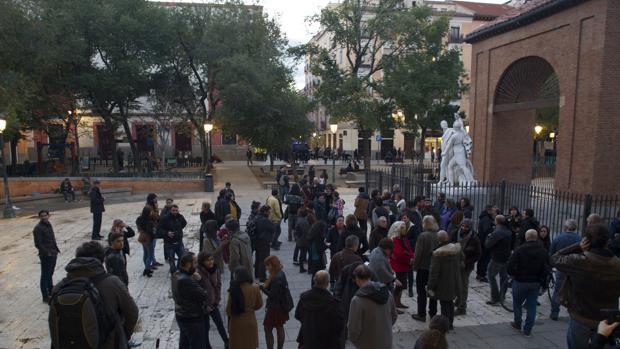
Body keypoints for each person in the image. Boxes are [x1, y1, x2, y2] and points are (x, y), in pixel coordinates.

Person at [50, 241, 138, 349]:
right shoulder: (112, 283)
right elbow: (132, 313)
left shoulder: (60, 287)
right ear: (102, 260)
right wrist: (122, 335)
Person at [551, 224, 620, 349]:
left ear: (586, 241)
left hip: (581, 317)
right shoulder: (617, 265)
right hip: (606, 320)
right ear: (607, 241)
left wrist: (577, 246)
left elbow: (554, 258)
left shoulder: (579, 261)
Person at [507, 229, 550, 337]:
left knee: (517, 303)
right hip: (535, 281)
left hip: (520, 280)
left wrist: (515, 274)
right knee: (532, 306)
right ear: (536, 237)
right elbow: (548, 266)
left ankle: (517, 323)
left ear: (526, 237)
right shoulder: (543, 251)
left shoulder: (520, 250)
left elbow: (510, 266)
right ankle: (528, 329)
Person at [347, 264, 397, 349]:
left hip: (367, 343)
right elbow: (394, 316)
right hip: (386, 341)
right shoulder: (387, 293)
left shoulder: (357, 300)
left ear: (357, 279)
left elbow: (354, 328)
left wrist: (353, 339)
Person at [295, 270, 344, 349]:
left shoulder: (304, 297)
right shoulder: (333, 302)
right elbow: (339, 324)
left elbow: (298, 315)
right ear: (327, 283)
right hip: (327, 342)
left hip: (308, 338)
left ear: (314, 281)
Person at [171, 252, 208, 349]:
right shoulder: (186, 280)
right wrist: (200, 280)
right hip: (192, 319)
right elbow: (204, 295)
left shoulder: (176, 275)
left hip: (181, 315)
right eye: (195, 263)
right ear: (188, 264)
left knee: (184, 344)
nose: (197, 266)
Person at [426, 230, 462, 329]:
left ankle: (446, 325)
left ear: (438, 240)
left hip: (442, 283)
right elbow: (462, 262)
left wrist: (430, 286)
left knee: (444, 304)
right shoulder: (456, 250)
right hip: (453, 280)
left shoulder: (438, 254)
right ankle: (450, 323)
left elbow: (434, 273)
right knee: (450, 302)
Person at [548, 218, 581, 321]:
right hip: (575, 269)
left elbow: (552, 254)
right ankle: (572, 312)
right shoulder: (580, 239)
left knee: (557, 291)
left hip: (561, 268)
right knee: (573, 291)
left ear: (565, 227)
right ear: (575, 228)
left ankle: (554, 313)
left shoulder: (558, 238)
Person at [196, 251, 229, 348]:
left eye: (212, 259)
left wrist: (217, 299)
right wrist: (205, 305)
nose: (210, 262)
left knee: (220, 324)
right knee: (206, 328)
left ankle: (227, 342)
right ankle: (207, 346)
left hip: (214, 304)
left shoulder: (215, 269)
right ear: (202, 261)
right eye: (207, 260)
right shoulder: (198, 273)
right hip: (204, 306)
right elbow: (198, 292)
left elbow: (218, 285)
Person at [226, 266, 263, 349]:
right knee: (250, 344)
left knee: (237, 344)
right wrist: (250, 309)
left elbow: (228, 310)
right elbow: (259, 304)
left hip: (236, 322)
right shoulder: (255, 288)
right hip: (250, 320)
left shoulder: (234, 289)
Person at [412, 215, 440, 322]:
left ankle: (421, 314)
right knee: (432, 290)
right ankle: (433, 313)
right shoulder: (438, 235)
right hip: (434, 267)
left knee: (421, 292)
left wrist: (415, 266)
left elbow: (418, 253)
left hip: (423, 267)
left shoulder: (423, 236)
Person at [260, 256, 290, 349]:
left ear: (273, 265)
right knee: (279, 326)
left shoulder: (276, 277)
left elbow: (272, 295)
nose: (266, 267)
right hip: (280, 305)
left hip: (275, 307)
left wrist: (261, 288)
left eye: (268, 265)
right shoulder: (280, 273)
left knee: (267, 328)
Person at [455, 219, 481, 315]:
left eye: (466, 227)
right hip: (456, 263)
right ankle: (458, 300)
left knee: (463, 286)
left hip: (466, 266)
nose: (463, 228)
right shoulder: (456, 233)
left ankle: (462, 307)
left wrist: (466, 262)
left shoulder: (474, 238)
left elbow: (478, 254)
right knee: (457, 283)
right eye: (462, 226)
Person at [33, 209, 60, 302]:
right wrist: (47, 252)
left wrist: (55, 250)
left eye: (45, 215)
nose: (44, 217)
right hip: (46, 255)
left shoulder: (48, 224)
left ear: (48, 216)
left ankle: (51, 290)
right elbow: (38, 244)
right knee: (45, 275)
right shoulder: (38, 228)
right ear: (39, 217)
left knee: (50, 273)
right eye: (42, 216)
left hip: (53, 252)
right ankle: (45, 296)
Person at [485, 215, 512, 306]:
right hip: (506, 257)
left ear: (497, 221)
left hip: (497, 258)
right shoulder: (508, 231)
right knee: (503, 277)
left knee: (491, 276)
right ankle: (502, 296)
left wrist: (489, 236)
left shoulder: (497, 232)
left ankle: (495, 297)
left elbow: (488, 245)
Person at [389, 222, 414, 310]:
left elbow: (409, 250)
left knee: (402, 285)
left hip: (404, 265)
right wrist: (409, 259)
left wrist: (411, 257)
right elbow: (399, 254)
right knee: (398, 286)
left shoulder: (404, 239)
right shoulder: (395, 240)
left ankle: (398, 302)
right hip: (398, 266)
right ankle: (395, 303)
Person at [158, 204, 187, 274]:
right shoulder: (164, 218)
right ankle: (173, 272)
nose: (175, 212)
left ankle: (178, 269)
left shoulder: (180, 217)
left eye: (176, 210)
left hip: (179, 241)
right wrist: (167, 233)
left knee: (182, 256)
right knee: (171, 258)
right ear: (170, 210)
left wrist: (179, 231)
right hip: (169, 242)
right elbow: (159, 229)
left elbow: (184, 223)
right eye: (173, 210)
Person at [254, 206, 275, 281]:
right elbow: (273, 229)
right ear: (265, 212)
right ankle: (262, 277)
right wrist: (271, 221)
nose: (270, 213)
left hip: (257, 241)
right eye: (269, 211)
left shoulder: (257, 217)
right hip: (264, 242)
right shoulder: (265, 220)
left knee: (258, 258)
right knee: (264, 259)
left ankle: (256, 274)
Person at [476, 205, 496, 282]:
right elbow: (487, 230)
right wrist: (493, 229)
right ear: (489, 211)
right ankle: (481, 275)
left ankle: (479, 274)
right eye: (493, 210)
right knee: (485, 259)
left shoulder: (485, 218)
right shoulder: (486, 219)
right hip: (485, 242)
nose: (494, 212)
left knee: (482, 258)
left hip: (483, 241)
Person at [136, 206, 155, 277]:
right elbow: (150, 231)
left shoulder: (139, 219)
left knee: (145, 253)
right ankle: (147, 270)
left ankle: (147, 267)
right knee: (150, 255)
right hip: (148, 239)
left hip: (142, 237)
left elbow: (139, 228)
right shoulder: (149, 221)